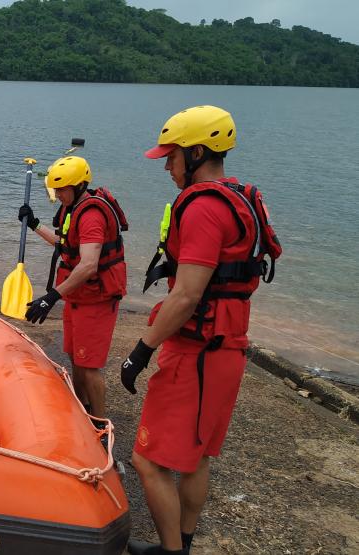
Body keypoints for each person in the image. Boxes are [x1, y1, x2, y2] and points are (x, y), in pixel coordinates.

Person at [120, 105, 281, 555]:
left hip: (196, 354)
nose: (167, 168)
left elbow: (187, 295)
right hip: (227, 348)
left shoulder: (204, 208)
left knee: (147, 461)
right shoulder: (241, 196)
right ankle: (184, 545)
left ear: (195, 153)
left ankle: (172, 551)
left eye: (170, 158)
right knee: (196, 458)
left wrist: (140, 350)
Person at [18, 156, 128, 420]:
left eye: (62, 189)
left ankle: (100, 424)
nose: (58, 194)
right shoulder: (72, 208)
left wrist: (52, 296)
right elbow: (65, 245)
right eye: (55, 189)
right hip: (78, 296)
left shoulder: (91, 216)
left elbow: (89, 265)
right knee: (75, 356)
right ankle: (83, 410)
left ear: (79, 186)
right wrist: (34, 224)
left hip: (96, 300)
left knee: (89, 366)